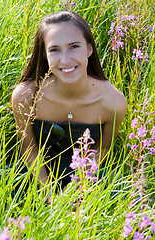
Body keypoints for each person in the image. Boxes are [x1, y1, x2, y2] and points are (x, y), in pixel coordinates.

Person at [11, 11, 127, 203]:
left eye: (74, 47)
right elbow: (29, 149)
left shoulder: (112, 101)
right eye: (54, 50)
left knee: (130, 202)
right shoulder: (25, 96)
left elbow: (103, 149)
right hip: (36, 173)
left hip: (87, 176)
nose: (65, 60)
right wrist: (48, 193)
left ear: (89, 49)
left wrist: (76, 190)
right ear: (45, 54)